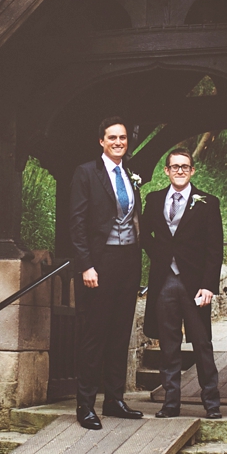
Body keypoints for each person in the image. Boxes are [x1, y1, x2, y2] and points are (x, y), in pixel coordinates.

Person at [68, 116, 145, 430]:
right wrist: (86, 264)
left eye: (122, 138)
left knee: (120, 333)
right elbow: (77, 222)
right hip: (100, 263)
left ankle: (114, 399)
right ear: (101, 141)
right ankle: (85, 405)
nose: (118, 143)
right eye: (112, 138)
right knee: (95, 335)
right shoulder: (86, 173)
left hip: (128, 262)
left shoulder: (129, 174)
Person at [141, 147, 222, 419]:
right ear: (166, 170)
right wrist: (161, 256)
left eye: (185, 166)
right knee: (169, 344)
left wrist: (209, 285)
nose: (179, 171)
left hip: (195, 284)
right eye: (175, 166)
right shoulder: (153, 200)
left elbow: (215, 248)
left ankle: (211, 403)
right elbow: (143, 235)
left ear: (192, 170)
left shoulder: (208, 202)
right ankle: (170, 403)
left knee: (202, 343)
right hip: (165, 281)